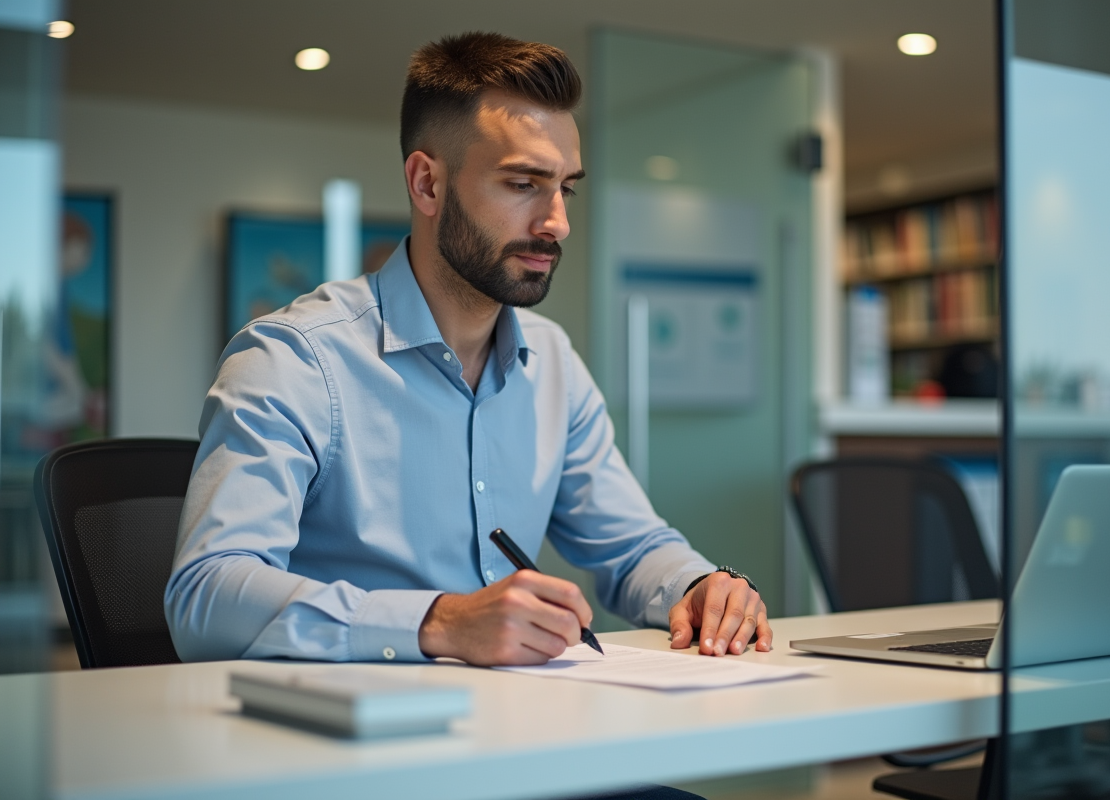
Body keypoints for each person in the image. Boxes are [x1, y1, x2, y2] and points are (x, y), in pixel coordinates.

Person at [165, 32, 773, 668]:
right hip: (353, 745)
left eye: (566, 188)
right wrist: (441, 621)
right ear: (427, 184)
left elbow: (632, 545)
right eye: (522, 184)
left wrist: (701, 587)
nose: (557, 222)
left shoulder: (552, 361)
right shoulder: (294, 359)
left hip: (523, 737)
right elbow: (206, 596)